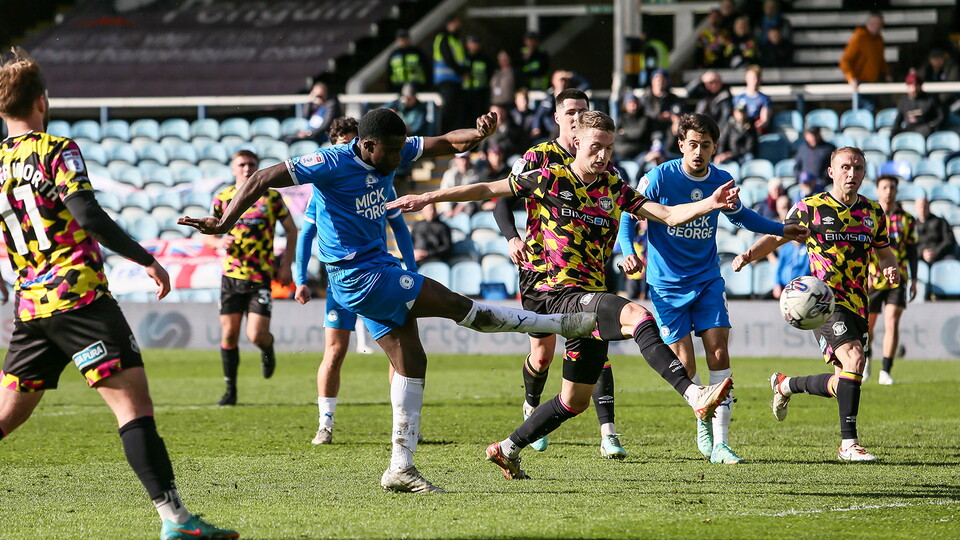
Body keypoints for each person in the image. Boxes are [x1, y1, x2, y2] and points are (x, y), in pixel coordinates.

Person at [179, 108, 600, 494]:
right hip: (358, 275)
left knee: (412, 362)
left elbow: (448, 143)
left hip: (375, 268)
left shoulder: (392, 147)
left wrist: (479, 132)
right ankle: (563, 325)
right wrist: (224, 222)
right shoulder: (330, 162)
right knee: (455, 304)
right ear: (366, 145)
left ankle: (401, 467)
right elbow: (261, 178)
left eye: (403, 148)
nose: (400, 158)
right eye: (392, 150)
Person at [388, 110, 739, 479]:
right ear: (577, 143)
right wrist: (428, 197)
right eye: (595, 147)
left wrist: (711, 203)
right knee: (637, 316)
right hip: (554, 290)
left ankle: (506, 449)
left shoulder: (613, 187)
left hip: (588, 295)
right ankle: (694, 394)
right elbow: (488, 190)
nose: (602, 156)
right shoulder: (549, 178)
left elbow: (666, 214)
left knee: (575, 401)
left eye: (608, 148)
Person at [0, 47, 236, 540]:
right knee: (134, 410)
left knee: (5, 415)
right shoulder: (55, 149)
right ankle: (176, 521)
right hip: (80, 300)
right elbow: (88, 216)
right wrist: (146, 258)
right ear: (42, 101)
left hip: (31, 307)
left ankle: (177, 520)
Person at [619, 112, 805, 465]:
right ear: (680, 145)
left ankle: (722, 443)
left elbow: (741, 216)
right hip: (666, 284)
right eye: (692, 144)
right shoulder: (659, 176)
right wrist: (629, 253)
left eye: (705, 145)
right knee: (685, 364)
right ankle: (701, 417)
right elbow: (628, 216)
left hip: (706, 278)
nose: (698, 152)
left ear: (715, 147)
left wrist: (782, 229)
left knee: (718, 351)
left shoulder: (722, 180)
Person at [732, 146, 900, 461]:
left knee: (844, 381)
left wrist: (890, 266)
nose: (853, 174)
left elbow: (884, 250)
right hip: (823, 301)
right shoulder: (811, 208)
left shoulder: (873, 212)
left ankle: (786, 385)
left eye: (859, 168)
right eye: (846, 167)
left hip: (858, 304)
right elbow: (777, 235)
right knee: (855, 361)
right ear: (832, 172)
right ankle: (848, 444)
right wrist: (747, 255)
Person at [493, 89, 630, 458]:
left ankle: (608, 432)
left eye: (581, 112)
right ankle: (532, 408)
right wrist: (511, 238)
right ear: (557, 117)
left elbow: (622, 206)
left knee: (597, 344)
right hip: (541, 273)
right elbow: (502, 199)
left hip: (590, 273)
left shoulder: (605, 165)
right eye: (570, 112)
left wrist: (629, 250)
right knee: (542, 356)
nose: (575, 117)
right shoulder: (538, 157)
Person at [295, 150, 418, 444]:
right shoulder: (324, 188)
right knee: (335, 351)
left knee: (397, 349)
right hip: (342, 282)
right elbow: (305, 235)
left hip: (377, 275)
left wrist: (411, 269)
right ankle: (325, 423)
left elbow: (399, 226)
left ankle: (400, 423)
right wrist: (300, 278)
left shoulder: (380, 182)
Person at [207, 150, 298, 406]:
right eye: (242, 164)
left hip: (260, 276)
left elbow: (292, 230)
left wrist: (286, 264)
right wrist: (217, 241)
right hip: (231, 276)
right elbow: (207, 234)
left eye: (252, 164)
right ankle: (230, 391)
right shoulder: (223, 198)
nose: (247, 168)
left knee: (256, 334)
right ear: (233, 168)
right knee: (229, 335)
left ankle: (267, 347)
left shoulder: (270, 197)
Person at [865, 175, 918, 386]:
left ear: (897, 190)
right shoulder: (869, 217)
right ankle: (867, 358)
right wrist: (864, 274)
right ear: (878, 190)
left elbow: (913, 250)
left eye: (892, 187)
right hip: (873, 277)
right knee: (868, 326)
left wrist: (914, 279)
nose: (888, 191)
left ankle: (885, 370)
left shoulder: (907, 219)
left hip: (898, 276)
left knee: (892, 322)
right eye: (884, 187)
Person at [839, 11, 893, 111]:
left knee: (874, 108)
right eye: (874, 24)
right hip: (860, 82)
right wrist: (851, 78)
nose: (877, 27)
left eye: (880, 25)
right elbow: (845, 61)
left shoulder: (879, 39)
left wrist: (887, 73)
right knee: (866, 109)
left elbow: (880, 59)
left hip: (872, 81)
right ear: (869, 24)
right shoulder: (859, 37)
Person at [432, 15, 467, 133]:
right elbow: (449, 59)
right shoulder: (444, 38)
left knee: (456, 112)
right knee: (448, 111)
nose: (459, 26)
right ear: (450, 23)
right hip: (447, 80)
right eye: (456, 23)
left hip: (455, 81)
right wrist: (461, 72)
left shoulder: (455, 39)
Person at [771, 195, 810, 299]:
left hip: (802, 289)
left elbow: (807, 269)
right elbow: (779, 267)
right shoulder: (786, 247)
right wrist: (777, 284)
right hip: (785, 288)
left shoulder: (807, 248)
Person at [891, 72, 943, 138]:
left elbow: (940, 117)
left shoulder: (930, 99)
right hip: (908, 130)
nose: (914, 89)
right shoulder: (904, 101)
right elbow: (898, 121)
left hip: (924, 131)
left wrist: (930, 126)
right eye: (911, 85)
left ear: (920, 85)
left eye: (916, 85)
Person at [638, 69, 680, 143]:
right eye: (657, 79)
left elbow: (678, 110)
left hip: (667, 128)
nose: (660, 82)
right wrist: (659, 116)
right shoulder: (646, 97)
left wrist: (674, 118)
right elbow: (647, 113)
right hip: (649, 129)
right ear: (652, 81)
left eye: (663, 79)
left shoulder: (672, 97)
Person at [914, 195, 957, 265]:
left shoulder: (941, 222)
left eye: (925, 206)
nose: (922, 209)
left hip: (940, 257)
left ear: (929, 207)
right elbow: (910, 244)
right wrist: (922, 252)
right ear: (916, 208)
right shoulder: (912, 225)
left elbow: (949, 241)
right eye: (920, 207)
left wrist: (936, 252)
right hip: (920, 258)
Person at [437, 152, 480, 218]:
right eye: (461, 159)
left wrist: (461, 206)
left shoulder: (476, 174)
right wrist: (448, 210)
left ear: (469, 158)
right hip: (450, 208)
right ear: (456, 159)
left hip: (467, 208)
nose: (464, 162)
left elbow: (473, 193)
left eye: (466, 158)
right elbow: (443, 192)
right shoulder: (449, 174)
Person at [387, 29, 429, 94]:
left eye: (404, 39)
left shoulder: (417, 52)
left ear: (409, 39)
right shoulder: (394, 54)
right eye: (400, 39)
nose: (402, 41)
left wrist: (426, 86)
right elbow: (389, 72)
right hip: (397, 88)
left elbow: (427, 69)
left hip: (417, 87)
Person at [732, 65, 771, 134]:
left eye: (757, 78)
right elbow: (736, 117)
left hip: (756, 132)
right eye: (753, 78)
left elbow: (764, 121)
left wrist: (751, 127)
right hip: (740, 130)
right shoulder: (739, 98)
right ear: (746, 79)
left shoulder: (764, 99)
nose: (755, 81)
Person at [463, 35, 493, 121]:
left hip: (480, 92)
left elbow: (489, 74)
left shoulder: (484, 58)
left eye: (475, 43)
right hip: (466, 92)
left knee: (479, 115)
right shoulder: (464, 58)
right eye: (471, 43)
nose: (473, 45)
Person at [615, 93, 647, 161]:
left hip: (639, 154)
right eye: (630, 103)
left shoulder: (644, 119)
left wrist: (624, 132)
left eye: (635, 103)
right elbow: (615, 135)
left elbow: (639, 134)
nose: (634, 106)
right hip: (620, 154)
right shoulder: (622, 118)